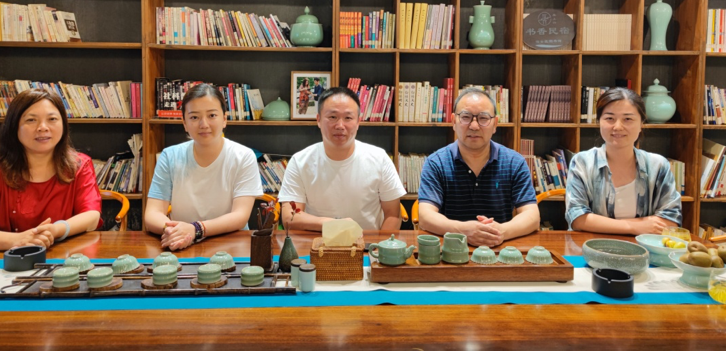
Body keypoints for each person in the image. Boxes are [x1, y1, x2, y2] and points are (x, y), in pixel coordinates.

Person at [0, 89, 101, 251]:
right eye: (31, 120)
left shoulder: (79, 165)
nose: (43, 127)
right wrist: (18, 240)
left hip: (63, 257)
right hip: (8, 258)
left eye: (52, 119)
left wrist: (55, 231)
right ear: (14, 126)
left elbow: (92, 216)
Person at [144, 83, 262, 250]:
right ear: (184, 123)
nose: (204, 124)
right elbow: (152, 214)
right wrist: (175, 231)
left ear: (224, 119)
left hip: (231, 246)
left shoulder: (243, 156)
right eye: (194, 117)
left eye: (212, 115)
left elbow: (240, 216)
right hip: (182, 245)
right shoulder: (170, 156)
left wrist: (196, 229)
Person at [418, 87, 540, 247]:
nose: (474, 126)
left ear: (495, 124)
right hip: (451, 251)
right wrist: (463, 231)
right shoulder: (436, 163)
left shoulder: (514, 162)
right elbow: (425, 216)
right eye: (466, 117)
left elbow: (532, 216)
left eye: (483, 118)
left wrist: (502, 231)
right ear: (453, 121)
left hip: (500, 249)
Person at [279, 87, 406, 231]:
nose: (340, 126)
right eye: (333, 117)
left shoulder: (379, 159)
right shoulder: (300, 161)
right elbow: (289, 217)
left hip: (367, 242)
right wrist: (332, 224)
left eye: (348, 118)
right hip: (317, 241)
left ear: (358, 122)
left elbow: (393, 215)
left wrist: (379, 245)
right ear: (318, 120)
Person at [565, 88, 682, 235]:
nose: (618, 127)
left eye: (628, 119)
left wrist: (601, 224)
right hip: (592, 246)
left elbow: (671, 220)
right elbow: (577, 218)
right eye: (609, 118)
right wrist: (636, 227)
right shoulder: (583, 162)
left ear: (641, 124)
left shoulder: (658, 165)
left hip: (642, 247)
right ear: (599, 122)